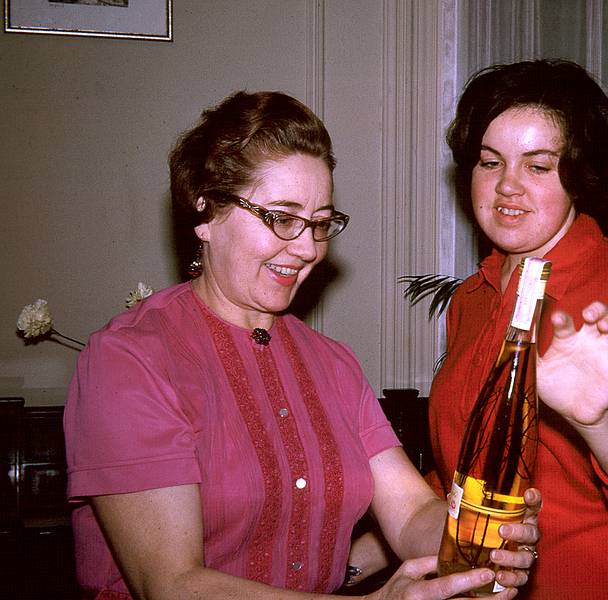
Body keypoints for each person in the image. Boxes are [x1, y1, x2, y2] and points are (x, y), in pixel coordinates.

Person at [64, 90, 543, 600]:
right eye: (282, 217)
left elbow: (410, 513)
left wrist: (476, 546)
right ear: (204, 213)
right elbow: (171, 584)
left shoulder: (332, 363)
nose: (308, 247)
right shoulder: (131, 360)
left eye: (320, 223)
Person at [425, 59, 608, 599]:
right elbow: (462, 469)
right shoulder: (472, 301)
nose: (506, 187)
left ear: (580, 175)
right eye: (490, 162)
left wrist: (598, 423)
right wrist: (360, 555)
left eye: (538, 167)